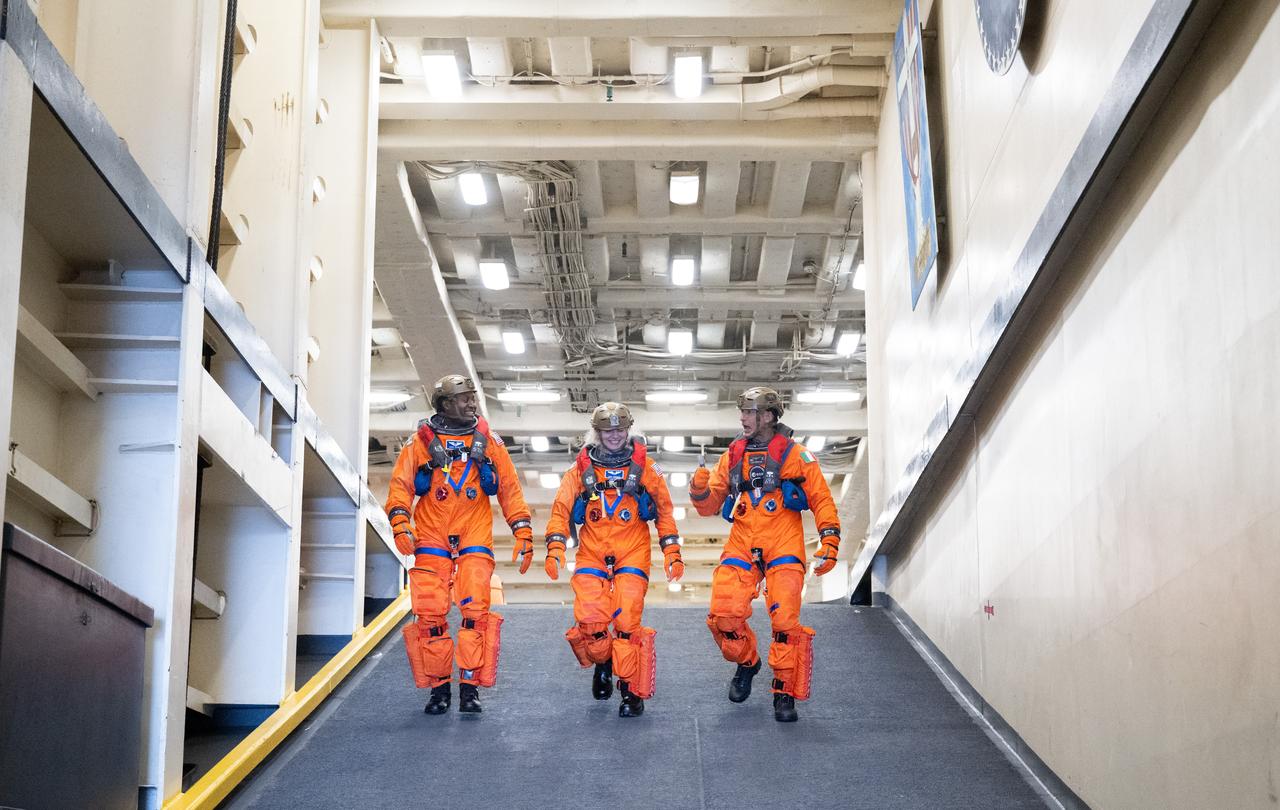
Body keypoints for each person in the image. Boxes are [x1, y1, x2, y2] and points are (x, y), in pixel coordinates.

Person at [689, 386, 841, 722]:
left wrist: (829, 541)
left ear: (768, 416)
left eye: (749, 412)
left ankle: (784, 691)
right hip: (742, 540)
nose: (742, 418)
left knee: (785, 623)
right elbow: (709, 505)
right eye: (742, 412)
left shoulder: (797, 455)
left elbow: (821, 499)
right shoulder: (732, 456)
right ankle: (748, 662)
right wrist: (699, 490)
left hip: (783, 542)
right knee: (723, 615)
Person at [385, 374, 534, 714]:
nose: (471, 403)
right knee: (431, 614)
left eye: (473, 397)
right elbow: (401, 486)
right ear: (445, 404)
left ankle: (469, 688)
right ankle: (439, 691)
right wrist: (400, 523)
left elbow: (509, 489)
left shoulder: (489, 442)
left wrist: (522, 532)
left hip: (473, 532)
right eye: (464, 398)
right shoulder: (419, 443)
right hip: (431, 533)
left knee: (475, 613)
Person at [544, 402, 683, 717]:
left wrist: (672, 550)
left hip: (632, 551)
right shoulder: (579, 470)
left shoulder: (647, 468)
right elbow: (561, 509)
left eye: (620, 429)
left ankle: (631, 692)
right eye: (608, 430)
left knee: (626, 624)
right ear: (597, 433)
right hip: (591, 551)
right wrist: (555, 546)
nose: (615, 436)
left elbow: (664, 510)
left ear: (629, 430)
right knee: (591, 622)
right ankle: (603, 662)